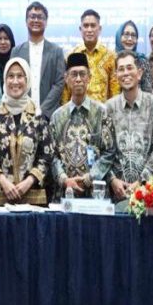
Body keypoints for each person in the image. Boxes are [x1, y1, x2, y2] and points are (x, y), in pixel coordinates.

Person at [0, 57, 54, 206]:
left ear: (27, 80)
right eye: (11, 76)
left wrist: (29, 181)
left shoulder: (37, 116)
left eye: (20, 76)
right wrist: (2, 181)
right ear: (4, 80)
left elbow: (47, 155)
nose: (15, 81)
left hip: (32, 199)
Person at [50, 53, 117, 201]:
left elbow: (110, 151)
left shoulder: (101, 112)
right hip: (65, 193)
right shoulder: (57, 116)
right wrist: (64, 179)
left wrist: (90, 177)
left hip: (96, 192)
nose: (78, 79)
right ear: (66, 79)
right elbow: (52, 155)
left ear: (89, 78)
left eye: (82, 74)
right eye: (74, 74)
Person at [106, 50, 153, 200]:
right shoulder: (108, 107)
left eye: (129, 68)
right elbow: (102, 149)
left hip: (147, 191)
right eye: (121, 69)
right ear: (116, 75)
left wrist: (141, 181)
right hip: (116, 191)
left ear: (139, 73)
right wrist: (112, 180)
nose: (125, 73)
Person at [13, 2, 66, 119]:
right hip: (21, 114)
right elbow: (12, 82)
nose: (36, 20)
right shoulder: (16, 51)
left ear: (46, 22)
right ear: (26, 21)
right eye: (32, 17)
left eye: (40, 17)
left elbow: (59, 83)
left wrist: (43, 110)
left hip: (49, 116)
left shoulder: (56, 51)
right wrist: (26, 109)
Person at [62, 9, 119, 104]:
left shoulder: (110, 56)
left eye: (93, 26)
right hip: (77, 111)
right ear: (80, 29)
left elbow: (115, 91)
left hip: (102, 111)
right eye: (86, 26)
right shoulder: (70, 56)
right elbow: (66, 91)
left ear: (99, 29)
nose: (89, 30)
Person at [115, 20, 153, 94]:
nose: (130, 39)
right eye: (126, 34)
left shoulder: (142, 61)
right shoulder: (111, 60)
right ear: (119, 36)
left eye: (133, 35)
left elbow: (148, 92)